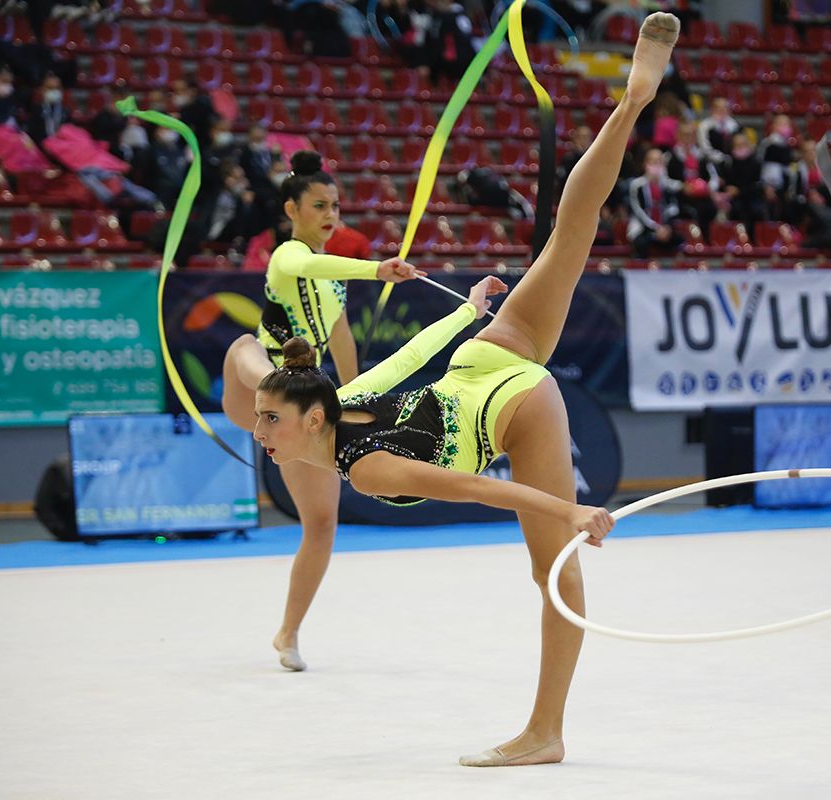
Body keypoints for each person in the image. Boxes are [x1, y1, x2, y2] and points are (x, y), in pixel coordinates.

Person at [248, 14, 680, 766]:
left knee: (555, 568)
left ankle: (546, 733)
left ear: (312, 420)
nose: (261, 432)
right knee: (569, 233)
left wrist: (572, 509)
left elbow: (485, 492)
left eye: (270, 420)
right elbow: (405, 360)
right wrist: (472, 318)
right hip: (487, 357)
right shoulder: (345, 404)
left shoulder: (368, 467)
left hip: (511, 405)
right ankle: (634, 101)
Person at [220, 150, 424, 672]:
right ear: (292, 209)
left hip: (293, 413)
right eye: (319, 205)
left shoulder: (332, 280)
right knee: (248, 347)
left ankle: (287, 633)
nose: (330, 214)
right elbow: (310, 264)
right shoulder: (288, 254)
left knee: (322, 522)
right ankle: (270, 381)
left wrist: (355, 397)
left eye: (335, 205)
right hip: (252, 390)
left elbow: (339, 337)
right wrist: (376, 269)